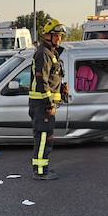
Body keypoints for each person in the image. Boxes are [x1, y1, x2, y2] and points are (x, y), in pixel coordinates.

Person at [29, 19, 68, 180]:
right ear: (48, 36)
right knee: (43, 137)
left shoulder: (50, 53)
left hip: (45, 104)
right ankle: (40, 171)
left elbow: (52, 78)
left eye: (60, 36)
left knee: (45, 136)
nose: (59, 39)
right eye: (56, 36)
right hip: (42, 104)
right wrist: (49, 103)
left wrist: (62, 88)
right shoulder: (43, 54)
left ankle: (42, 168)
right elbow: (41, 81)